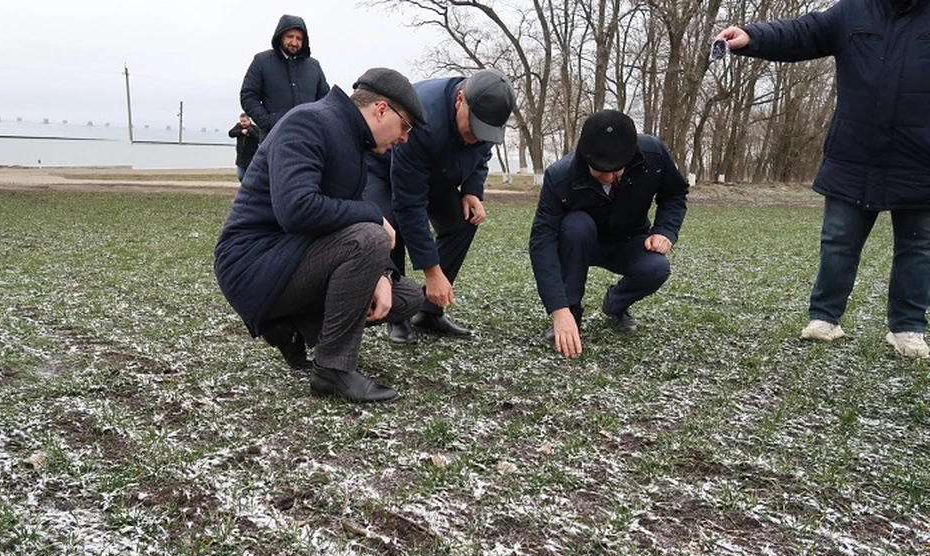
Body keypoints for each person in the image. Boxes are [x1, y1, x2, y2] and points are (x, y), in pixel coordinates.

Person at [716, 0, 930, 359]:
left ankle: (908, 328)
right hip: (854, 155)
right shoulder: (853, 11)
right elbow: (802, 32)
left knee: (918, 249)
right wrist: (753, 36)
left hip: (920, 158)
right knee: (838, 242)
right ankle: (825, 318)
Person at [214, 68, 427, 402]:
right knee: (370, 237)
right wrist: (374, 217)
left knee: (407, 298)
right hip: (251, 264)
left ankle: (291, 327)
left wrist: (382, 272)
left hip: (293, 256)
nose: (405, 138)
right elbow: (296, 209)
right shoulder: (309, 122)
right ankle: (332, 370)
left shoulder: (352, 141)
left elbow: (343, 216)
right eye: (406, 126)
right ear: (382, 109)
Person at [363, 69, 516, 344]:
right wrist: (432, 271)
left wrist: (471, 191)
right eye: (473, 129)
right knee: (393, 228)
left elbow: (481, 156)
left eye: (485, 134)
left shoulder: (486, 125)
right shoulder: (424, 118)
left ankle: (430, 312)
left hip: (437, 172)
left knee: (462, 222)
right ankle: (398, 314)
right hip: (385, 168)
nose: (475, 139)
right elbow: (409, 203)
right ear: (460, 100)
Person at [528, 110, 689, 358]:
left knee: (657, 268)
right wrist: (559, 310)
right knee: (576, 224)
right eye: (601, 170)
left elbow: (675, 194)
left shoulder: (654, 154)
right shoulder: (559, 176)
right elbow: (542, 241)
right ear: (584, 153)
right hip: (580, 242)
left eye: (617, 170)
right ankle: (572, 313)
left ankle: (616, 304)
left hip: (630, 241)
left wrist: (665, 230)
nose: (609, 177)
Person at [240, 15, 330, 136]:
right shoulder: (261, 61)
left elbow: (326, 101)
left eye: (299, 38)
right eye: (290, 37)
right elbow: (248, 96)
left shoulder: (314, 66)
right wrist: (269, 122)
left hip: (309, 140)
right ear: (280, 36)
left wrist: (317, 125)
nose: (294, 42)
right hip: (273, 140)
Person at [228, 113, 261, 182]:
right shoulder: (238, 126)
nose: (242, 123)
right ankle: (244, 188)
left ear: (249, 121)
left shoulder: (255, 128)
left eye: (244, 121)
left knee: (250, 176)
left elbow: (259, 140)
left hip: (251, 157)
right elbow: (231, 133)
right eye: (241, 121)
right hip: (240, 157)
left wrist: (251, 132)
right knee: (240, 176)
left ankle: (248, 189)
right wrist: (241, 132)